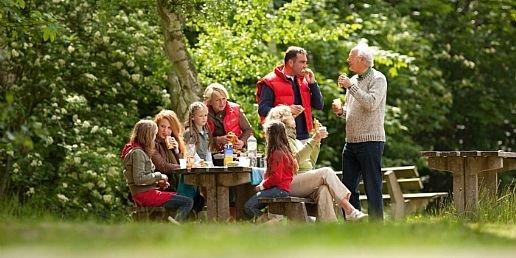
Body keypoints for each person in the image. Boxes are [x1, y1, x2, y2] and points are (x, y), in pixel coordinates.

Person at [265, 105, 367, 222]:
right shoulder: (280, 140)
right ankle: (350, 210)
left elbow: (310, 163)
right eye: (290, 115)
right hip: (288, 182)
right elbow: (294, 162)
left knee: (324, 189)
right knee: (326, 171)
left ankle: (329, 229)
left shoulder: (295, 140)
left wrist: (317, 142)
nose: (294, 118)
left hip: (302, 181)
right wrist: (313, 139)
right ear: (281, 119)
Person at [331, 43, 387, 220]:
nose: (348, 60)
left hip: (371, 141)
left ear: (362, 60)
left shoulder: (378, 79)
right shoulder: (353, 80)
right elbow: (353, 111)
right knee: (347, 188)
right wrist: (341, 111)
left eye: (351, 57)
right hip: (351, 142)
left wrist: (350, 87)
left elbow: (371, 104)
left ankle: (376, 227)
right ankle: (354, 224)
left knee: (372, 186)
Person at [120, 120, 193, 222]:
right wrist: (160, 176)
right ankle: (174, 227)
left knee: (181, 196)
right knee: (187, 202)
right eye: (154, 135)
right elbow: (139, 179)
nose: (155, 139)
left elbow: (143, 176)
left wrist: (158, 182)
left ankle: (168, 223)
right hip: (144, 195)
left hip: (147, 192)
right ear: (147, 136)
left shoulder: (141, 151)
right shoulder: (138, 153)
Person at [257, 46, 323, 142]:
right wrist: (287, 110)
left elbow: (319, 105)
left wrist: (313, 83)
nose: (305, 66)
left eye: (306, 62)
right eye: (302, 62)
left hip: (304, 136)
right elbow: (262, 109)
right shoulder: (270, 81)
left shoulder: (304, 80)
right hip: (281, 137)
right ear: (291, 63)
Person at [152, 109, 205, 215]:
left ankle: (188, 216)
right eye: (162, 126)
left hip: (175, 181)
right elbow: (163, 166)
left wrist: (177, 151)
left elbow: (182, 160)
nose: (165, 131)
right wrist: (184, 167)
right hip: (164, 183)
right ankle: (184, 215)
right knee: (195, 194)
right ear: (156, 127)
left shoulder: (173, 142)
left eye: (169, 128)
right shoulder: (153, 144)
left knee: (200, 198)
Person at [244, 121, 296, 219]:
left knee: (248, 207)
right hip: (282, 189)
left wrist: (262, 186)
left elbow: (276, 177)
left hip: (278, 190)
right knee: (252, 204)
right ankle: (270, 222)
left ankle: (271, 223)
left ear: (270, 135)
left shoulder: (276, 153)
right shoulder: (285, 151)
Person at [204, 83, 253, 152]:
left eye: (224, 99)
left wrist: (242, 142)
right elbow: (200, 137)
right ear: (210, 101)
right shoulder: (203, 112)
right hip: (212, 152)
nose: (222, 103)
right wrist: (218, 140)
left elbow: (248, 130)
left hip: (235, 151)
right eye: (217, 100)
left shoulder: (235, 109)